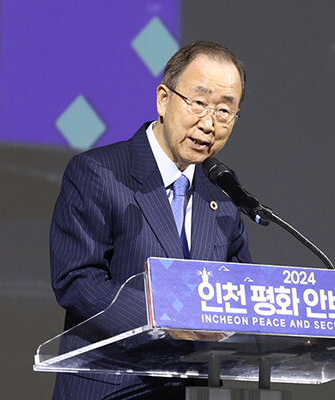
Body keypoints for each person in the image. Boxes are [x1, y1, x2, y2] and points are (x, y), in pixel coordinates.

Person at [49, 41, 252, 399]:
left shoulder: (223, 198)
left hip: (194, 390)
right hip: (112, 387)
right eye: (199, 102)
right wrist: (166, 324)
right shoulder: (99, 172)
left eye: (224, 111)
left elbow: (237, 298)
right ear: (163, 99)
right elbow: (77, 280)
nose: (209, 123)